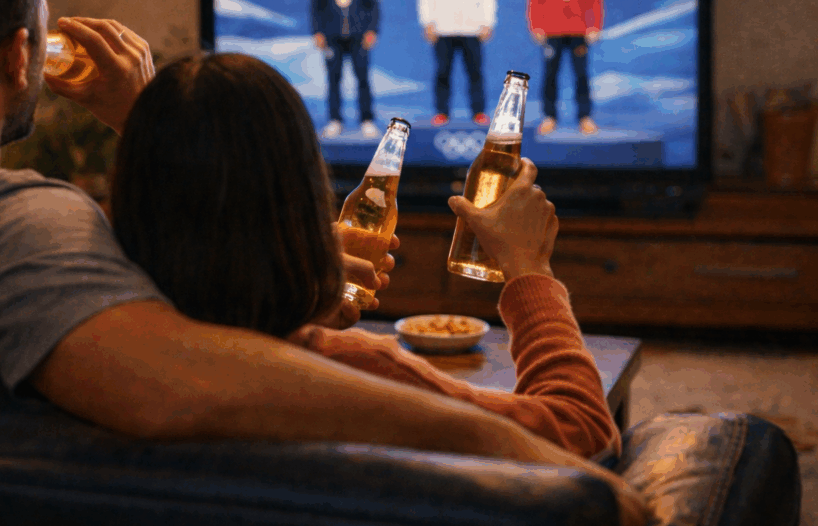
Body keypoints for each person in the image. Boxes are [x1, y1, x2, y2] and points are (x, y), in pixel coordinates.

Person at [0, 0, 648, 526]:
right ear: (24, 57)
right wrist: (505, 433)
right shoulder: (16, 225)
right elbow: (190, 384)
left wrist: (158, 122)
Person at [112, 51, 620, 459]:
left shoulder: (104, 350)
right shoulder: (356, 373)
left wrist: (293, 288)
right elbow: (584, 432)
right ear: (303, 193)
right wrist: (530, 270)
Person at [527, 0, 604, 136]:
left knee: (581, 75)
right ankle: (549, 117)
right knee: (550, 75)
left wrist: (595, 25)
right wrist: (535, 25)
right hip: (552, 31)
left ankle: (585, 117)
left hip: (579, 30)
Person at [310, 0, 381, 140]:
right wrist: (317, 32)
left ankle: (366, 120)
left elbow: (374, 5)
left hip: (359, 36)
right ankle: (335, 120)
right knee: (333, 79)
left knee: (363, 78)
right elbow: (316, 7)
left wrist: (372, 30)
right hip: (332, 36)